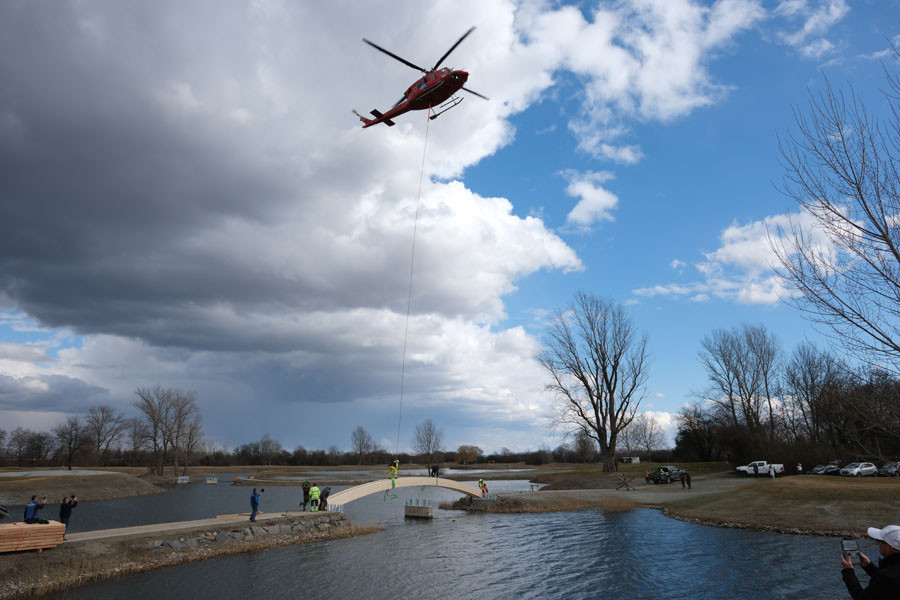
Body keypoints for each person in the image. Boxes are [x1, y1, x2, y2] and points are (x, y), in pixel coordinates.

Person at [841, 525, 900, 598]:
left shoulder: (885, 576)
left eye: (879, 541)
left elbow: (862, 597)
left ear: (890, 547)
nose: (878, 544)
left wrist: (848, 572)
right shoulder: (890, 572)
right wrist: (869, 567)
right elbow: (890, 582)